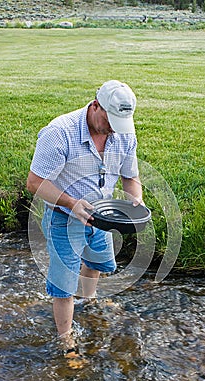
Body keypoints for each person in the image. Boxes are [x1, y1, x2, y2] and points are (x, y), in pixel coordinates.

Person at [27, 80, 143, 364]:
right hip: (64, 217)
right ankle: (65, 340)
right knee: (64, 284)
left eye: (120, 122)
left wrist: (135, 199)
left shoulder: (124, 130)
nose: (115, 128)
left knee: (96, 264)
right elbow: (34, 183)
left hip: (101, 214)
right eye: (110, 120)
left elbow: (130, 176)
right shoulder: (59, 133)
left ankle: (89, 302)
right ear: (95, 106)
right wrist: (72, 203)